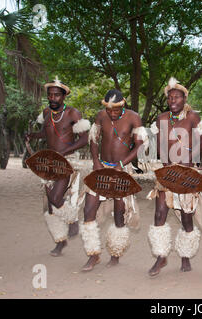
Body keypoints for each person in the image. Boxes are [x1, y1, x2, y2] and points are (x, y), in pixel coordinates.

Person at [80, 89, 147, 272]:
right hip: (101, 168)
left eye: (116, 110)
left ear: (122, 105)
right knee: (88, 209)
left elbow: (140, 146)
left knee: (119, 213)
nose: (112, 113)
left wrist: (121, 164)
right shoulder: (101, 116)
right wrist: (95, 161)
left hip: (121, 170)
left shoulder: (134, 118)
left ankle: (115, 253)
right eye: (109, 110)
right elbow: (94, 139)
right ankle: (93, 254)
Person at [146, 77, 202, 276]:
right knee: (159, 214)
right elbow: (159, 145)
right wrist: (164, 165)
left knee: (186, 218)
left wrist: (192, 164)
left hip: (187, 175)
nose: (173, 100)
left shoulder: (193, 117)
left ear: (184, 98)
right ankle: (161, 257)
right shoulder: (162, 118)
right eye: (170, 97)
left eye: (177, 97)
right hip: (166, 174)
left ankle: (186, 256)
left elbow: (200, 142)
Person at [26, 77, 90, 256]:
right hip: (49, 162)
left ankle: (72, 220)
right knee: (52, 206)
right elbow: (46, 134)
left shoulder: (72, 113)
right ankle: (60, 242)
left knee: (55, 197)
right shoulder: (46, 113)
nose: (52, 98)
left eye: (56, 95)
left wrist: (65, 152)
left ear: (63, 97)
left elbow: (84, 139)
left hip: (67, 160)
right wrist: (32, 135)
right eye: (50, 95)